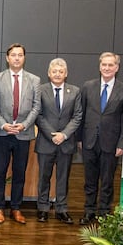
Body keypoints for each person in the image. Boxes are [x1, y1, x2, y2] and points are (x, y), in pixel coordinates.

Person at [78, 52, 123, 225]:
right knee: (90, 180)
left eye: (111, 65)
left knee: (107, 181)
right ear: (99, 66)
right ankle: (89, 211)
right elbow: (81, 114)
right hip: (89, 141)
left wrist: (122, 143)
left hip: (111, 143)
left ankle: (103, 212)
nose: (107, 68)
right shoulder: (88, 87)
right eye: (104, 65)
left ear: (117, 68)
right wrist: (79, 138)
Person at [0, 43, 40, 224]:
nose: (17, 58)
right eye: (13, 55)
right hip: (2, 134)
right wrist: (3, 125)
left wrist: (24, 125)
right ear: (7, 58)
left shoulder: (34, 80)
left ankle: (16, 208)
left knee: (19, 172)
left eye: (20, 55)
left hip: (23, 134)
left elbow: (36, 106)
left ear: (24, 58)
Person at [34, 58, 82, 224]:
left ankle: (62, 209)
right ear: (49, 73)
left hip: (66, 143)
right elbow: (38, 115)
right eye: (54, 71)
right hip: (46, 142)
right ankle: (43, 208)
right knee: (43, 177)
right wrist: (52, 134)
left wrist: (64, 135)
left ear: (66, 74)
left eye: (61, 72)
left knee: (63, 178)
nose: (57, 74)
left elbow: (77, 116)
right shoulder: (40, 90)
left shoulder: (75, 91)